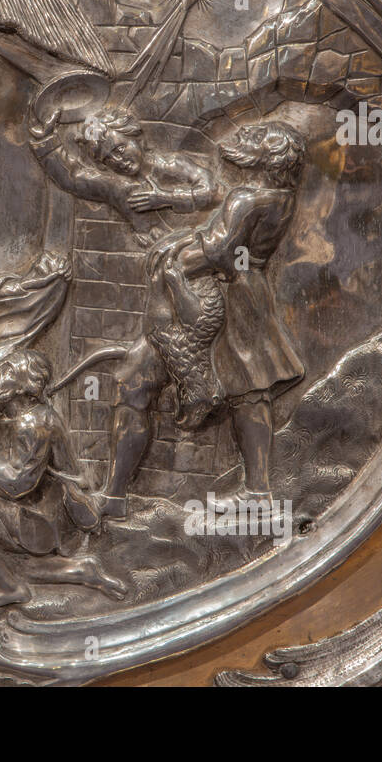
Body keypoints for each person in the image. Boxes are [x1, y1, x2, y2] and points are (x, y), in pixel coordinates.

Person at [93, 122, 307, 519]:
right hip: (235, 289)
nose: (240, 141)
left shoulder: (247, 198)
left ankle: (257, 493)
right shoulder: (280, 195)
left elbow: (219, 252)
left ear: (268, 155)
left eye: (252, 140)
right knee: (138, 377)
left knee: (247, 387)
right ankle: (114, 497)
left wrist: (173, 258)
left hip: (223, 293)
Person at [0, 350, 126, 611]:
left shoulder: (34, 423)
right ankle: (77, 570)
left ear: (23, 386)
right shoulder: (21, 417)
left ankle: (8, 587)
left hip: (38, 515)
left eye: (6, 369)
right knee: (17, 562)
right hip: (31, 507)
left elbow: (18, 484)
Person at [29, 107, 218, 236]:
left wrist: (164, 198)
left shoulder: (173, 165)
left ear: (138, 138)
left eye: (119, 149)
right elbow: (72, 178)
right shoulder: (116, 185)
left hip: (196, 242)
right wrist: (46, 140)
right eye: (108, 158)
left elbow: (211, 190)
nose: (118, 161)